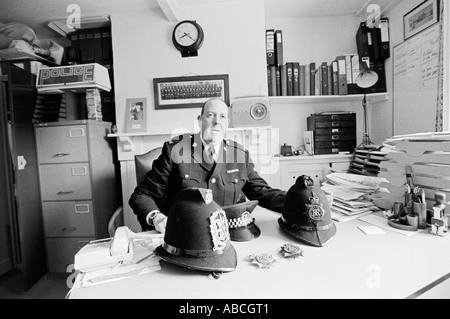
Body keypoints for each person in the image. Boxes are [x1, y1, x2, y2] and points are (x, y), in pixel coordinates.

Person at [129, 97, 286, 232]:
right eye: (210, 115)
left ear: (227, 123)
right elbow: (142, 195)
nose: (217, 121)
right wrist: (156, 218)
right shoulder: (176, 150)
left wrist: (301, 200)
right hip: (185, 233)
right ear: (199, 120)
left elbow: (263, 193)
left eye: (223, 117)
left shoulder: (239, 155)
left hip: (229, 233)